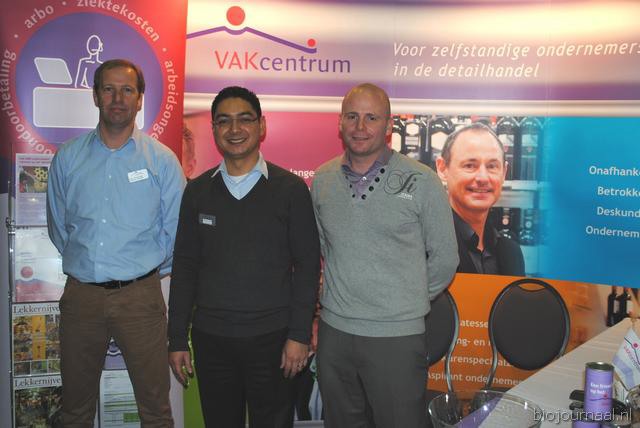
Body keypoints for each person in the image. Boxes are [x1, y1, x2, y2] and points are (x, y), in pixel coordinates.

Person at [167, 86, 320, 428]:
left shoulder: (290, 190)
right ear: (214, 130)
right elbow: (185, 267)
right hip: (212, 340)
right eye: (224, 121)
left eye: (244, 119)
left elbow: (308, 266)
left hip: (275, 340)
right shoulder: (197, 192)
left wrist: (299, 335)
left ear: (261, 126)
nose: (234, 129)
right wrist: (176, 338)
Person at [46, 59, 185, 427]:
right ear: (95, 96)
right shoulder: (68, 157)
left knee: (155, 409)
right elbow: (59, 227)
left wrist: (143, 271)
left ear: (140, 99)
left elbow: (176, 231)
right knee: (75, 409)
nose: (118, 98)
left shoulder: (162, 161)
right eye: (109, 89)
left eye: (127, 90)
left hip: (140, 297)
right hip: (82, 297)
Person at [311, 83, 458, 428]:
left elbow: (445, 259)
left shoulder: (422, 181)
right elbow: (324, 247)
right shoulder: (323, 179)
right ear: (340, 123)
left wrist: (405, 301)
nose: (360, 127)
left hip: (396, 338)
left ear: (389, 125)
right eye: (352, 116)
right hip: (335, 334)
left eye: (371, 118)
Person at [435, 123, 525, 276]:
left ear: (504, 173)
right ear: (442, 168)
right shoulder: (420, 246)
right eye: (470, 165)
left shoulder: (511, 253)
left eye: (492, 166)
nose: (483, 178)